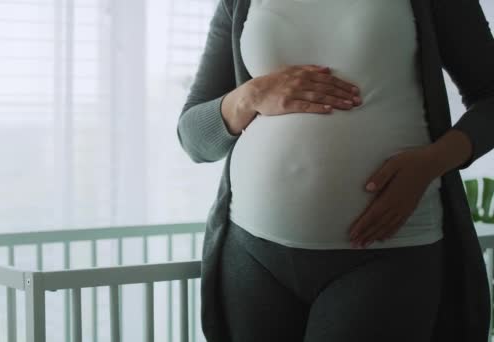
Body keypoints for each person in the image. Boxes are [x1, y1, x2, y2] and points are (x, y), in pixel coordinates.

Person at [176, 0, 494, 341]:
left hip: (386, 253)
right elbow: (194, 137)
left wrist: (433, 163)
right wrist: (251, 95)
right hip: (251, 254)